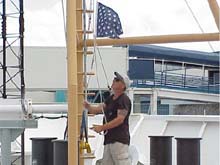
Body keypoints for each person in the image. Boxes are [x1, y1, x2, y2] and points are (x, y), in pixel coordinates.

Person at [84, 72, 132, 165]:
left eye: (117, 80)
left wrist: (102, 128)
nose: (114, 81)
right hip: (110, 139)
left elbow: (120, 119)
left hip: (119, 139)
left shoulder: (123, 99)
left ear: (123, 86)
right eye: (114, 79)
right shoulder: (111, 99)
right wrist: (88, 106)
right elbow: (98, 109)